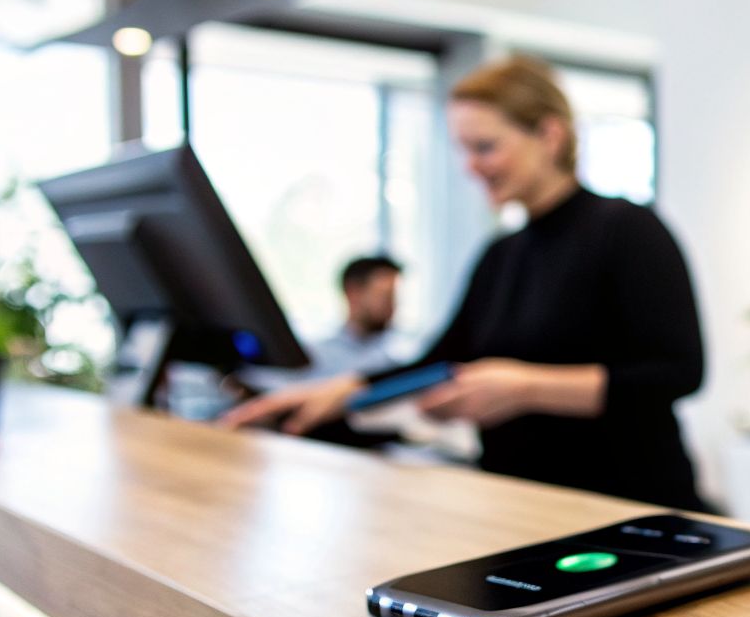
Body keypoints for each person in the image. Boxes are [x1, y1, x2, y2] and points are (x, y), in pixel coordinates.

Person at [221, 56, 710, 512]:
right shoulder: (501, 254)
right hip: (521, 505)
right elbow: (440, 361)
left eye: (485, 147)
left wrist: (526, 388)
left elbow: (678, 372)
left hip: (624, 508)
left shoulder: (628, 230)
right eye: (464, 150)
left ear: (550, 135)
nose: (470, 166)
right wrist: (341, 391)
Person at [304, 255, 405, 377]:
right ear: (353, 292)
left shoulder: (403, 350)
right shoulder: (316, 356)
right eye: (385, 296)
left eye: (395, 297)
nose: (393, 305)